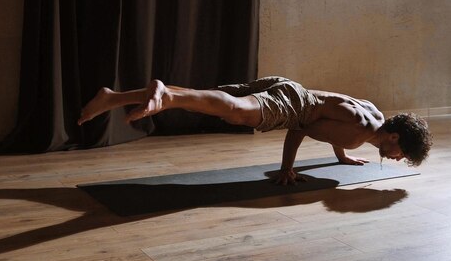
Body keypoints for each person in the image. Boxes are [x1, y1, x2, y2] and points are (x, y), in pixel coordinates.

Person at [78, 76, 432, 185]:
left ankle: (112, 97)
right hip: (295, 103)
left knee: (214, 99)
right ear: (395, 137)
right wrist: (286, 167)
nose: (398, 159)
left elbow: (330, 120)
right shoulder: (356, 132)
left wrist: (341, 155)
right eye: (403, 154)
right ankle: (165, 93)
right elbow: (299, 127)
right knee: (234, 113)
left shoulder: (372, 116)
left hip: (289, 85)